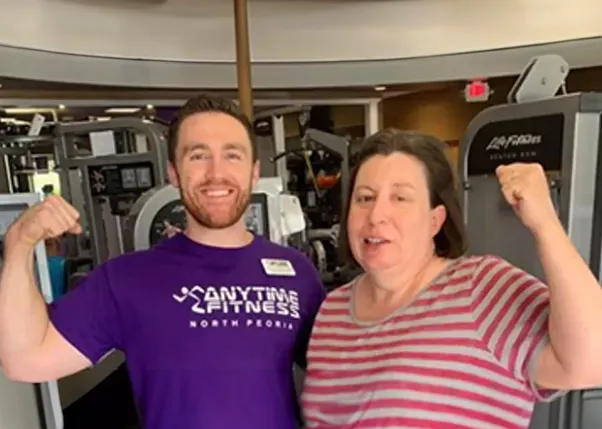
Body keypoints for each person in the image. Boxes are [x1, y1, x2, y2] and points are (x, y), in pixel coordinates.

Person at [0, 94, 326, 429]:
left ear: (254, 171)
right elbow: (25, 360)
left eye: (232, 155)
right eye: (198, 156)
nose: (216, 173)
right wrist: (19, 242)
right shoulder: (127, 279)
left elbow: (345, 378)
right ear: (173, 172)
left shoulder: (298, 275)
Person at [301, 129, 602, 429]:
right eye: (365, 198)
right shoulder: (333, 312)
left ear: (435, 220)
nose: (377, 215)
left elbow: (592, 362)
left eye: (400, 198)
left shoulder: (481, 287)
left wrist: (545, 224)